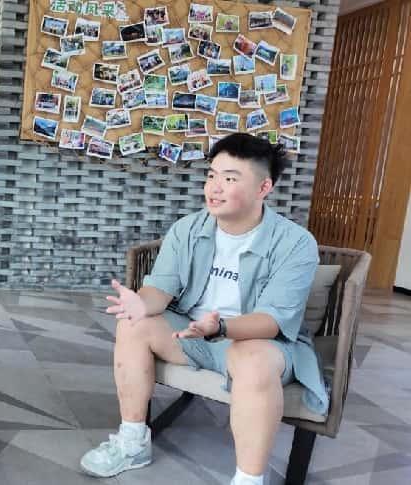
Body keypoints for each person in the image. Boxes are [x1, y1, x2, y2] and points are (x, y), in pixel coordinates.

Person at [80, 133, 328, 485]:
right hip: (191, 335)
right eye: (212, 175)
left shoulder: (295, 243)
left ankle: (248, 480)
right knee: (133, 324)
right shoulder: (187, 229)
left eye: (230, 178)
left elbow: (271, 322)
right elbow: (160, 289)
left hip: (255, 343)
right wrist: (140, 301)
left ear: (264, 188)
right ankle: (133, 443)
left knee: (253, 359)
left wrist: (221, 328)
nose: (215, 187)